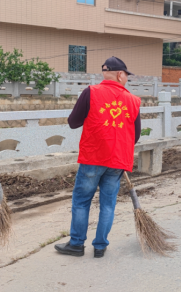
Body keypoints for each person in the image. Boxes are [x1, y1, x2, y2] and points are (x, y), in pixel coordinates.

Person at [55, 57, 141, 258]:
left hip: (93, 157)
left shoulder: (90, 92)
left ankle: (76, 244)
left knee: (82, 200)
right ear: (120, 74)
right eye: (126, 75)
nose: (127, 79)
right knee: (108, 203)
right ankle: (100, 246)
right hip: (118, 160)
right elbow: (135, 136)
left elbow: (73, 122)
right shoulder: (133, 100)